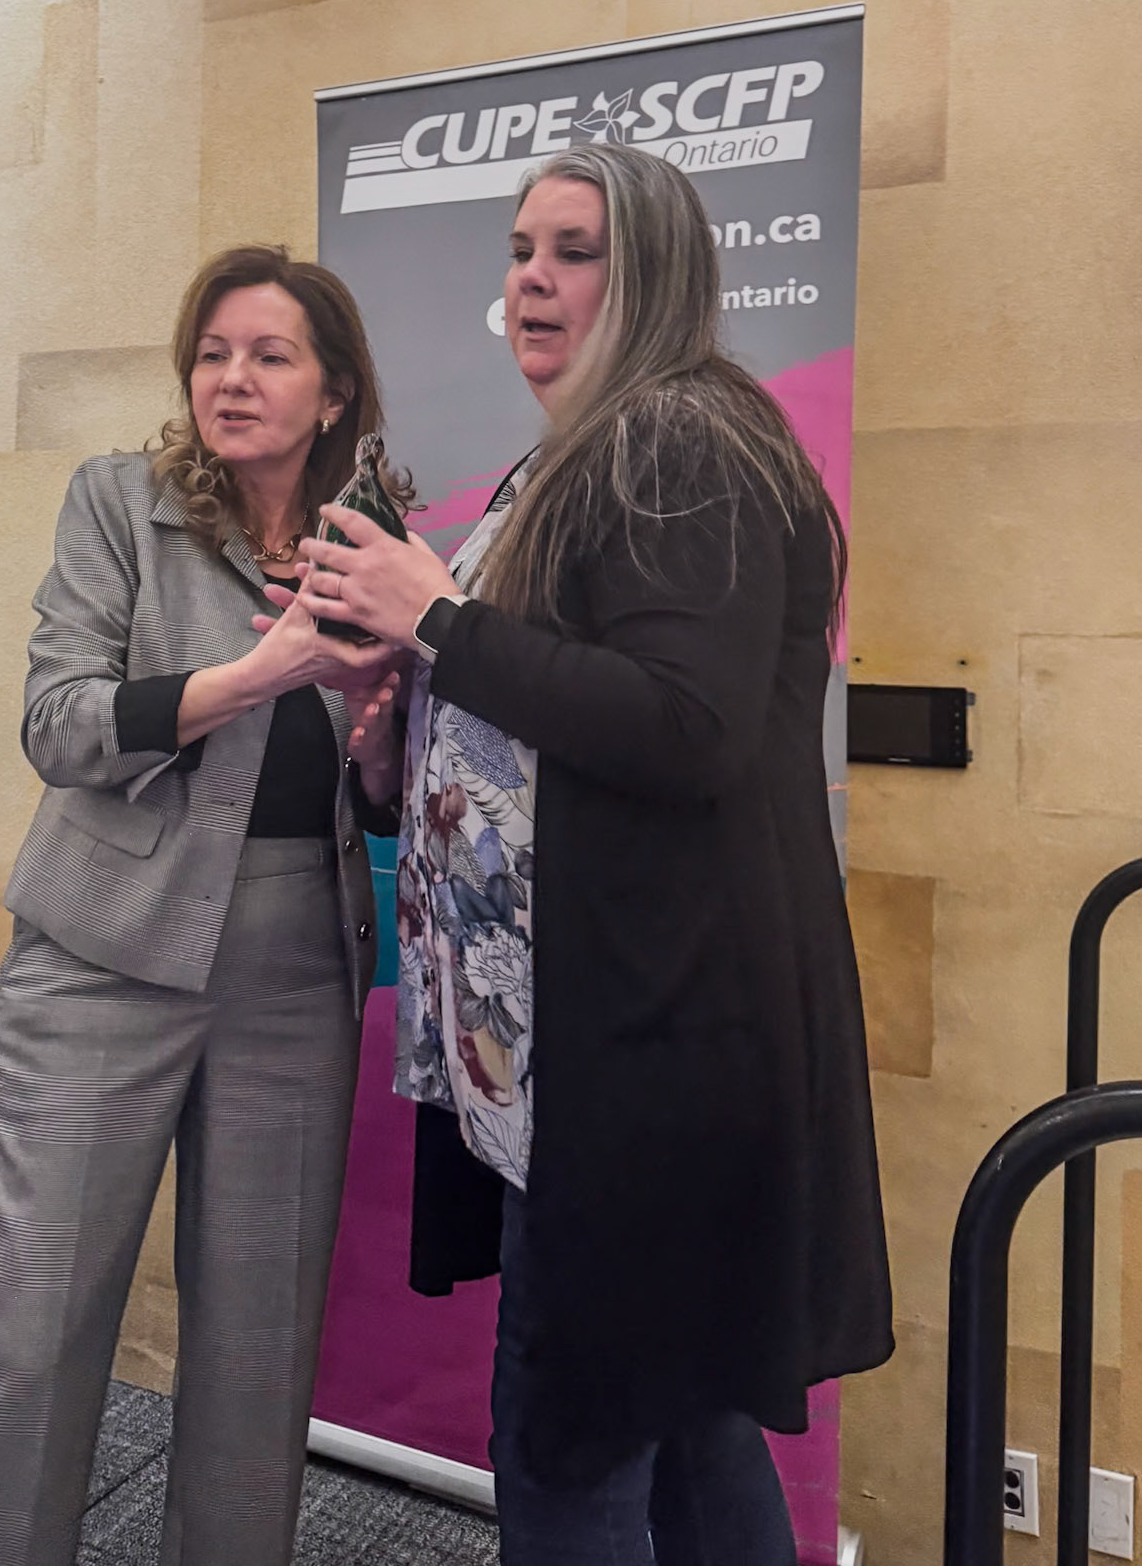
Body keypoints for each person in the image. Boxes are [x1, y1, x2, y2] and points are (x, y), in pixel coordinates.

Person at [293, 143, 894, 1566]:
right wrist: (393, 753)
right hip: (610, 1041)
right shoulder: (592, 450)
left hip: (647, 1048)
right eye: (520, 251)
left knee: (571, 1444)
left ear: (658, 272)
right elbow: (541, 723)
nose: (533, 281)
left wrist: (438, 620)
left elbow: (687, 726)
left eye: (576, 251)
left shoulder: (678, 443)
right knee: (686, 1427)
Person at [0, 245, 406, 1566]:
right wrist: (258, 673)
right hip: (101, 957)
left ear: (335, 393)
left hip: (298, 969)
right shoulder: (121, 504)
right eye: (211, 354)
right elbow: (59, 725)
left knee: (258, 1355)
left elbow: (393, 798)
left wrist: (375, 738)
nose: (231, 379)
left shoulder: (379, 545)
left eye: (269, 356)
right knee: (31, 1333)